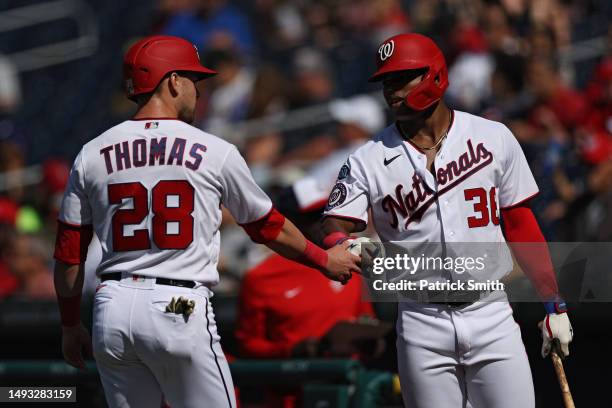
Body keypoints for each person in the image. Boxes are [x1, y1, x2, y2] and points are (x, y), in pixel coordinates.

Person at [52, 35, 360, 408]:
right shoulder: (214, 150)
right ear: (173, 82)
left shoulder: (91, 153)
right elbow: (267, 226)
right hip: (177, 303)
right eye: (194, 81)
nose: (199, 92)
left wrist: (70, 324)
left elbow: (70, 254)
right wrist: (324, 260)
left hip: (111, 307)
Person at [321, 33, 573, 408]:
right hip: (422, 318)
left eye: (401, 79)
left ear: (434, 76)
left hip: (490, 311)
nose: (392, 92)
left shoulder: (492, 136)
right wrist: (343, 244)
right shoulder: (366, 159)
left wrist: (553, 304)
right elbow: (335, 226)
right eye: (386, 82)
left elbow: (520, 224)